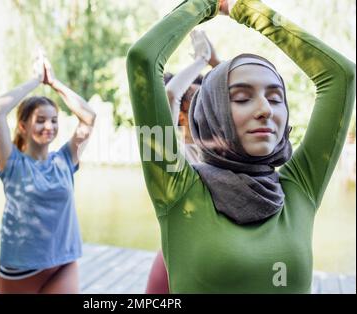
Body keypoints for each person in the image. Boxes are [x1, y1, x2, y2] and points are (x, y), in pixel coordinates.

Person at [127, 0, 355, 293]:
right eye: (242, 98)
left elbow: (342, 76)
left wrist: (246, 9)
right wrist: (208, 4)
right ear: (213, 111)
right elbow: (142, 61)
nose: (265, 110)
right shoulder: (175, 186)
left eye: (275, 98)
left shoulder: (301, 187)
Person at [0, 54, 96, 293]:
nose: (49, 126)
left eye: (54, 120)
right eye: (40, 120)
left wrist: (54, 82)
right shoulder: (12, 162)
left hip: (63, 261)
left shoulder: (65, 159)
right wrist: (36, 80)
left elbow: (88, 118)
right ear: (23, 126)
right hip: (21, 268)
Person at [146, 30, 221, 294]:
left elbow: (240, 89)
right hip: (175, 255)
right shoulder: (171, 151)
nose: (203, 105)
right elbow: (170, 94)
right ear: (178, 115)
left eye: (207, 100)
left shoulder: (228, 150)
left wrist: (215, 61)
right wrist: (202, 59)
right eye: (193, 100)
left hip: (219, 256)